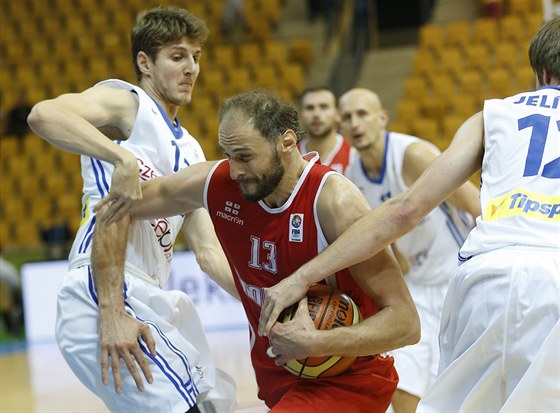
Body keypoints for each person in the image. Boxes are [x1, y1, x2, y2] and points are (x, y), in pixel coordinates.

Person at [259, 17, 560, 412]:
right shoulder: (352, 173)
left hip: (481, 279)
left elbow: (405, 210)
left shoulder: (492, 115)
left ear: (539, 71)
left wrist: (301, 277)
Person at [96, 89, 421, 412]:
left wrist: (317, 342)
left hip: (347, 379)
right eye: (228, 154)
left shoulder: (334, 202)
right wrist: (110, 310)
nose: (235, 169)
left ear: (287, 142)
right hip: (276, 376)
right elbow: (117, 208)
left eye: (245, 156)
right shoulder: (219, 183)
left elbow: (406, 323)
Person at [27, 7, 237, 413]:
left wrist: (265, 305)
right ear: (145, 62)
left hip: (149, 295)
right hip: (101, 288)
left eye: (196, 57)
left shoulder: (192, 151)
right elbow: (44, 114)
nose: (191, 67)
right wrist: (118, 158)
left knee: (212, 404)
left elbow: (210, 255)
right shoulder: (129, 104)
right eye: (178, 56)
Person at [338, 87, 480, 413]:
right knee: (402, 385)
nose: (355, 122)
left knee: (464, 389)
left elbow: (475, 204)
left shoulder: (411, 155)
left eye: (362, 114)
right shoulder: (352, 177)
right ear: (341, 128)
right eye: (347, 117)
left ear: (382, 118)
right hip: (416, 288)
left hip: (456, 280)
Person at [297, 86, 355, 174]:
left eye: (324, 107)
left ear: (338, 114)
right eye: (310, 108)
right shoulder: (291, 155)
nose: (316, 114)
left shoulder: (354, 154)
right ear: (300, 115)